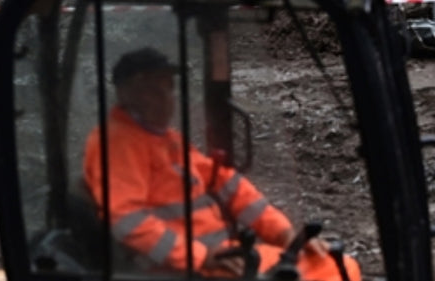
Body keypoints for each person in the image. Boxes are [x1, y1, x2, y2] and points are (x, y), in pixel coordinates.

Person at [83, 47, 360, 281]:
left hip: (219, 254)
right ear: (127, 94)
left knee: (336, 265)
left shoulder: (164, 139)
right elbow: (126, 220)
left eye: (168, 87)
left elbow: (226, 182)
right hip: (179, 269)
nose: (168, 98)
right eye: (155, 89)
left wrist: (285, 233)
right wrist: (200, 257)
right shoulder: (116, 142)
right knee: (334, 271)